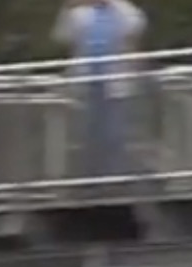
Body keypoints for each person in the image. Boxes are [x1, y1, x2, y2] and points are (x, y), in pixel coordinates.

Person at [53, 0, 147, 179]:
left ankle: (113, 176)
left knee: (114, 134)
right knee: (86, 134)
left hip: (114, 83)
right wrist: (67, 8)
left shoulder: (124, 12)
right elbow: (62, 36)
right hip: (87, 83)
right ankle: (89, 176)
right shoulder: (79, 14)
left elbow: (136, 26)